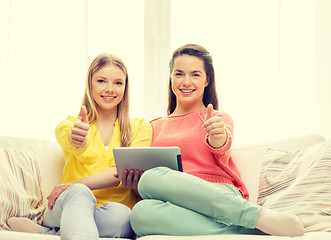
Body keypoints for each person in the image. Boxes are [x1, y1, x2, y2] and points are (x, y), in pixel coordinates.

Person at [127, 44, 305, 237]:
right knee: (140, 213)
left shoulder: (218, 118)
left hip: (218, 194)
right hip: (176, 204)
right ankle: (249, 227)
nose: (186, 81)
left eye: (195, 75)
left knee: (153, 176)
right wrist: (135, 183)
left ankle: (251, 215)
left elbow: (221, 145)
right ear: (171, 77)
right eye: (179, 74)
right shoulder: (153, 126)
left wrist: (217, 136)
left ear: (207, 80)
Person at [7, 53, 152, 240]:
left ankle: (48, 233)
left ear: (126, 87)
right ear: (89, 84)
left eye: (118, 83)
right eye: (101, 81)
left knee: (123, 217)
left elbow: (120, 171)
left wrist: (74, 183)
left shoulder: (141, 127)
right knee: (80, 193)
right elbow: (73, 141)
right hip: (67, 205)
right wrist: (77, 140)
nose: (109, 89)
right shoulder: (68, 125)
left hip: (110, 213)